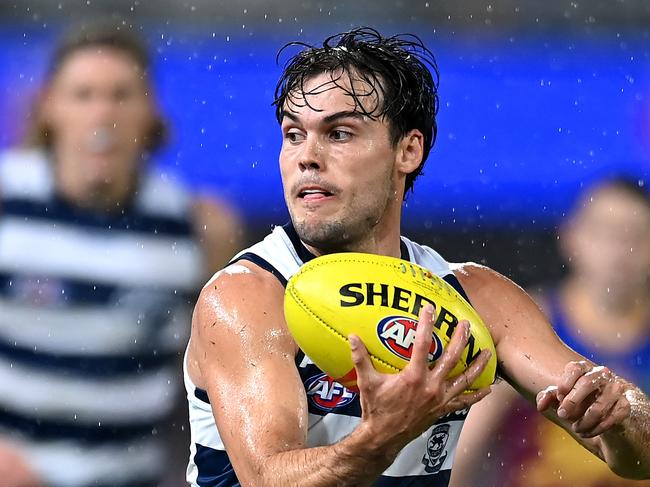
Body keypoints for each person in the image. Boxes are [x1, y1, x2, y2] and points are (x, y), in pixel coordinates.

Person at [184, 28, 650, 486]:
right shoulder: (247, 296)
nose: (307, 156)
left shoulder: (478, 301)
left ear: (408, 149)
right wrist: (383, 435)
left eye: (340, 133)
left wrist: (624, 420)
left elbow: (633, 453)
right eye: (293, 134)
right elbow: (269, 480)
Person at [0, 21, 242, 487]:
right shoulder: (6, 200)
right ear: (49, 107)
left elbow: (223, 379)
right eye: (83, 95)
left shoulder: (201, 228)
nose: (102, 113)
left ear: (151, 111)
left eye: (121, 95)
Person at [450, 178, 650, 487]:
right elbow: (465, 447)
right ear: (571, 236)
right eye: (605, 233)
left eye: (635, 235)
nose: (619, 250)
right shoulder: (523, 324)